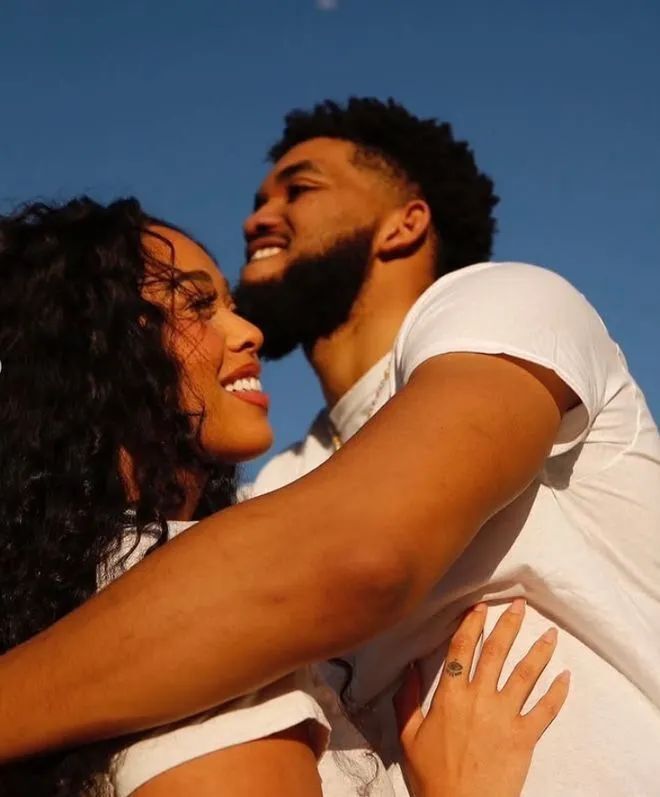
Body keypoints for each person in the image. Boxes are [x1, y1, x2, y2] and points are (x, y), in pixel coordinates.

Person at [0, 96, 657, 792]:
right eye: (258, 199)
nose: (258, 217)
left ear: (405, 223)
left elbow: (360, 553)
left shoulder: (502, 306)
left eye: (300, 189)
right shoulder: (276, 488)